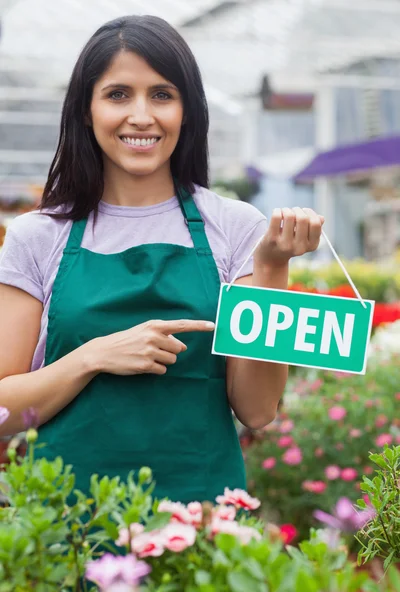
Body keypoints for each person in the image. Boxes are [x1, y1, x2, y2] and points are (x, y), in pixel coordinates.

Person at [0, 15, 323, 503]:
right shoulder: (36, 236)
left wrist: (273, 267)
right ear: (86, 110)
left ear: (187, 111)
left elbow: (257, 411)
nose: (141, 115)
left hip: (201, 523)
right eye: (117, 94)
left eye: (162, 95)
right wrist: (92, 357)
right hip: (66, 530)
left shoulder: (236, 228)